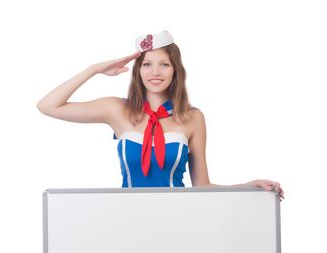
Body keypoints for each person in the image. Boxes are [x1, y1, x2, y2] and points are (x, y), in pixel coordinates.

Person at [37, 30, 283, 198]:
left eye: (164, 64)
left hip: (177, 219)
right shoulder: (117, 110)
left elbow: (202, 186)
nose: (155, 72)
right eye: (147, 64)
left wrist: (247, 188)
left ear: (176, 71)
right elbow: (48, 106)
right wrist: (94, 69)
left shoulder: (192, 118)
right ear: (138, 71)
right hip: (126, 218)